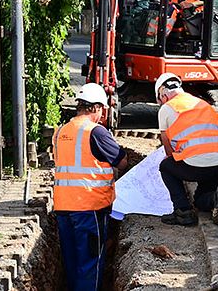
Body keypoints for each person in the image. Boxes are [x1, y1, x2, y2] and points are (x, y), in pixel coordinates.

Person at [52, 83, 128, 291]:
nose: (102, 114)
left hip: (63, 208)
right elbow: (122, 161)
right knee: (90, 264)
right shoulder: (96, 132)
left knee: (73, 262)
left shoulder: (60, 132)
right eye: (102, 109)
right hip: (89, 208)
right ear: (95, 107)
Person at [155, 72, 218, 226]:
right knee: (201, 200)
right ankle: (215, 198)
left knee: (165, 166)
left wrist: (174, 159)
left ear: (163, 95)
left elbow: (168, 149)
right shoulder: (203, 104)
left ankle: (183, 211)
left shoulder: (167, 108)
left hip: (198, 164)